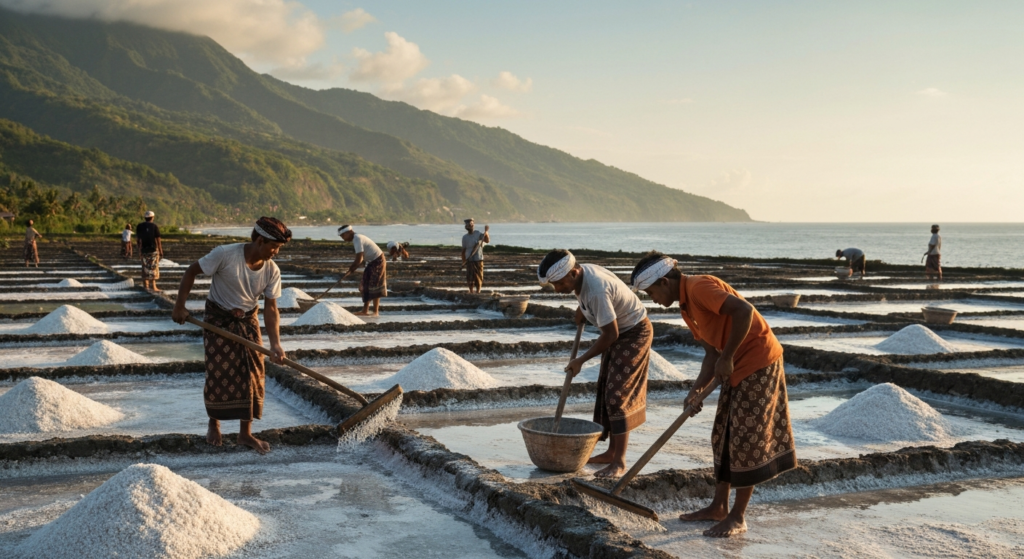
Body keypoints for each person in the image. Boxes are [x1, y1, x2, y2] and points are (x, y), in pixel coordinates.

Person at [630, 251, 796, 538]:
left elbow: (744, 311)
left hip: (758, 361)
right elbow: (711, 354)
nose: (653, 300)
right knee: (724, 435)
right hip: (734, 365)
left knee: (746, 438)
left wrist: (728, 356)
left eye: (651, 292)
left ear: (665, 282)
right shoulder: (685, 305)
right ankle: (719, 506)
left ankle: (738, 516)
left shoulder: (699, 287)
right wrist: (696, 390)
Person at [171, 217, 291, 454]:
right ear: (259, 240)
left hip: (248, 320)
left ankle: (245, 434)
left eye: (278, 248)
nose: (276, 253)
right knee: (219, 370)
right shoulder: (225, 254)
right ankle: (213, 423)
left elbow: (271, 308)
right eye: (273, 247)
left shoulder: (271, 270)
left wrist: (275, 344)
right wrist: (179, 306)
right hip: (219, 319)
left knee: (253, 373)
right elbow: (191, 271)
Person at [538, 249, 651, 478]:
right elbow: (598, 304)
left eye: (559, 284)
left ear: (573, 273)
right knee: (606, 389)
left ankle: (619, 462)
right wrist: (582, 309)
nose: (558, 290)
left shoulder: (596, 290)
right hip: (619, 330)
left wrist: (580, 360)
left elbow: (610, 335)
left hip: (633, 332)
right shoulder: (582, 278)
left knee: (617, 396)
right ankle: (610, 453)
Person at [338, 225, 387, 316]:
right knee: (365, 285)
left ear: (349, 232)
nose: (343, 239)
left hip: (378, 261)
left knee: (374, 285)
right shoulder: (356, 238)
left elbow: (359, 259)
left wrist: (351, 270)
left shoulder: (357, 239)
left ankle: (375, 312)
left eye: (343, 236)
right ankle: (365, 310)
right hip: (372, 262)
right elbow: (362, 257)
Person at [136, 211, 163, 291]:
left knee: (145, 266)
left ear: (145, 218)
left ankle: (146, 285)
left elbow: (138, 239)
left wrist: (139, 249)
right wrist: (160, 250)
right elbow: (158, 240)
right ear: (152, 218)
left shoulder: (140, 226)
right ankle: (153, 286)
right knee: (153, 267)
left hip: (144, 249)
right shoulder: (154, 226)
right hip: (153, 249)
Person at [462, 218, 490, 293]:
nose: (470, 226)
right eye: (468, 224)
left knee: (479, 276)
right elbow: (463, 250)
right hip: (469, 259)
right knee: (470, 277)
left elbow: (486, 240)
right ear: (466, 227)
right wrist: (464, 261)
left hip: (478, 259)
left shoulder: (478, 234)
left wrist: (486, 232)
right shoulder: (465, 237)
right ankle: (471, 291)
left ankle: (478, 291)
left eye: (471, 224)